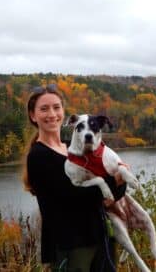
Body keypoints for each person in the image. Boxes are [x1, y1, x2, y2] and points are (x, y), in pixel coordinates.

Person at [23, 84, 126, 272]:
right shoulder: (38, 156)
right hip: (70, 246)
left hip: (101, 238)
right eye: (44, 109)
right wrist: (113, 183)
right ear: (33, 116)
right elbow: (73, 197)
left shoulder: (74, 148)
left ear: (63, 112)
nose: (52, 114)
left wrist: (119, 181)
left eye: (56, 107)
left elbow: (112, 188)